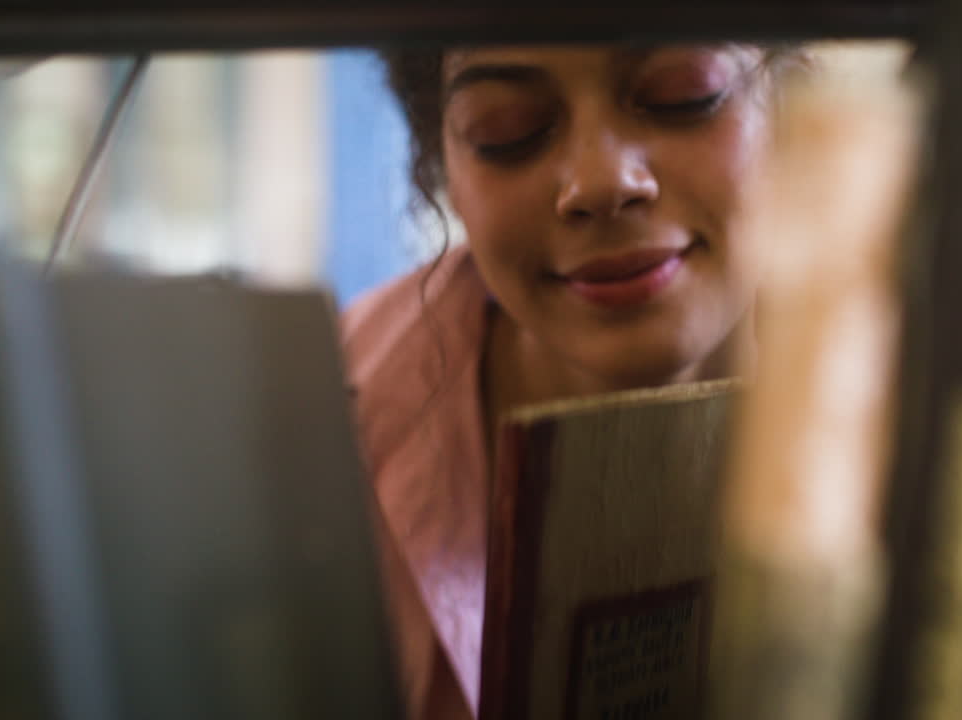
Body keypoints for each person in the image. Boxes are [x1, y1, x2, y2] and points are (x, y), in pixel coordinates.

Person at [340, 43, 795, 720]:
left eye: (683, 94)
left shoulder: (940, 393)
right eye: (508, 128)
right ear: (441, 160)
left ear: (797, 102)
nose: (601, 181)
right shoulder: (327, 418)